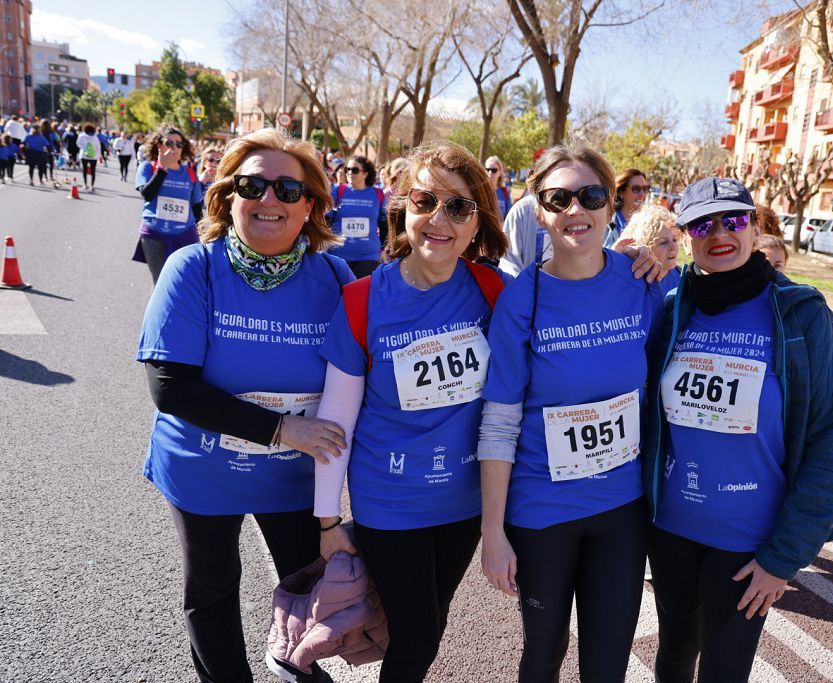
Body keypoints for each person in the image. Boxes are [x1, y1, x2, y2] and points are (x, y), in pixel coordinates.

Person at [137, 127, 354, 683]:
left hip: (291, 479)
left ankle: (295, 663)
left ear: (311, 207)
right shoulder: (194, 268)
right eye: (253, 185)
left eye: (288, 189)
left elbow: (367, 369)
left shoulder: (332, 276)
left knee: (307, 587)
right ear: (226, 196)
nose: (269, 200)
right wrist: (284, 430)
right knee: (212, 590)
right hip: (204, 470)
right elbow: (171, 385)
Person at [643, 176, 833, 682]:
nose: (721, 233)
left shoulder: (803, 316)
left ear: (755, 226)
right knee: (673, 654)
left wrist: (784, 557)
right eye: (703, 224)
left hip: (748, 545)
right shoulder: (672, 310)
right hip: (671, 530)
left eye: (734, 220)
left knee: (725, 668)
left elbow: (832, 441)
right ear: (687, 234)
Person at [314, 141, 510, 682]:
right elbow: (333, 425)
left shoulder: (495, 291)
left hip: (464, 501)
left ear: (477, 223)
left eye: (459, 207)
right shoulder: (361, 300)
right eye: (426, 201)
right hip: (390, 501)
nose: (439, 219)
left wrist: (638, 263)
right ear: (403, 209)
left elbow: (571, 298)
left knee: (426, 626)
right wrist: (328, 522)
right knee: (418, 637)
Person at [478, 140, 665, 682]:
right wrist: (494, 532)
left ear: (611, 205)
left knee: (606, 665)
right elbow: (499, 420)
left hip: (621, 510)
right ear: (539, 211)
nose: (576, 210)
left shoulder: (641, 282)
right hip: (542, 511)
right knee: (542, 655)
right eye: (560, 199)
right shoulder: (522, 298)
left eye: (591, 195)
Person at [132, 125, 205, 284]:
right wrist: (162, 169)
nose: (175, 148)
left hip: (185, 235)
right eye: (169, 143)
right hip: (154, 235)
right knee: (161, 283)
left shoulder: (190, 174)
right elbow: (147, 194)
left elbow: (196, 208)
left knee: (185, 283)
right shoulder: (148, 167)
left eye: (179, 144)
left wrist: (203, 235)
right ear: (159, 145)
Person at [326, 155, 387, 277]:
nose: (349, 173)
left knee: (362, 295)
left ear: (365, 173)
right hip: (339, 255)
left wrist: (383, 248)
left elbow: (384, 223)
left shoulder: (377, 194)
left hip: (368, 256)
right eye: (347, 169)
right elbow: (326, 218)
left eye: (354, 170)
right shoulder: (338, 191)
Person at [619, 203, 683, 295]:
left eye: (674, 239)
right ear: (644, 246)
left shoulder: (681, 278)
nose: (673, 247)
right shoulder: (633, 278)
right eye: (663, 242)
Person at [603, 167, 650, 247]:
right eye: (636, 189)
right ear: (621, 192)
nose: (642, 194)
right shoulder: (607, 224)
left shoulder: (649, 224)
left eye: (645, 189)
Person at [485, 155, 513, 220]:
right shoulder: (479, 191)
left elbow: (509, 218)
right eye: (487, 169)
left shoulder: (505, 193)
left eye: (494, 170)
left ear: (500, 173)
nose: (490, 173)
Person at [77, 124, 102, 191]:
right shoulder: (95, 137)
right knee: (93, 171)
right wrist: (99, 156)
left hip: (84, 155)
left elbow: (78, 144)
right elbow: (98, 147)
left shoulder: (81, 136)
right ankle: (92, 185)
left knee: (84, 170)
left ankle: (85, 184)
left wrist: (83, 148)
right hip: (94, 156)